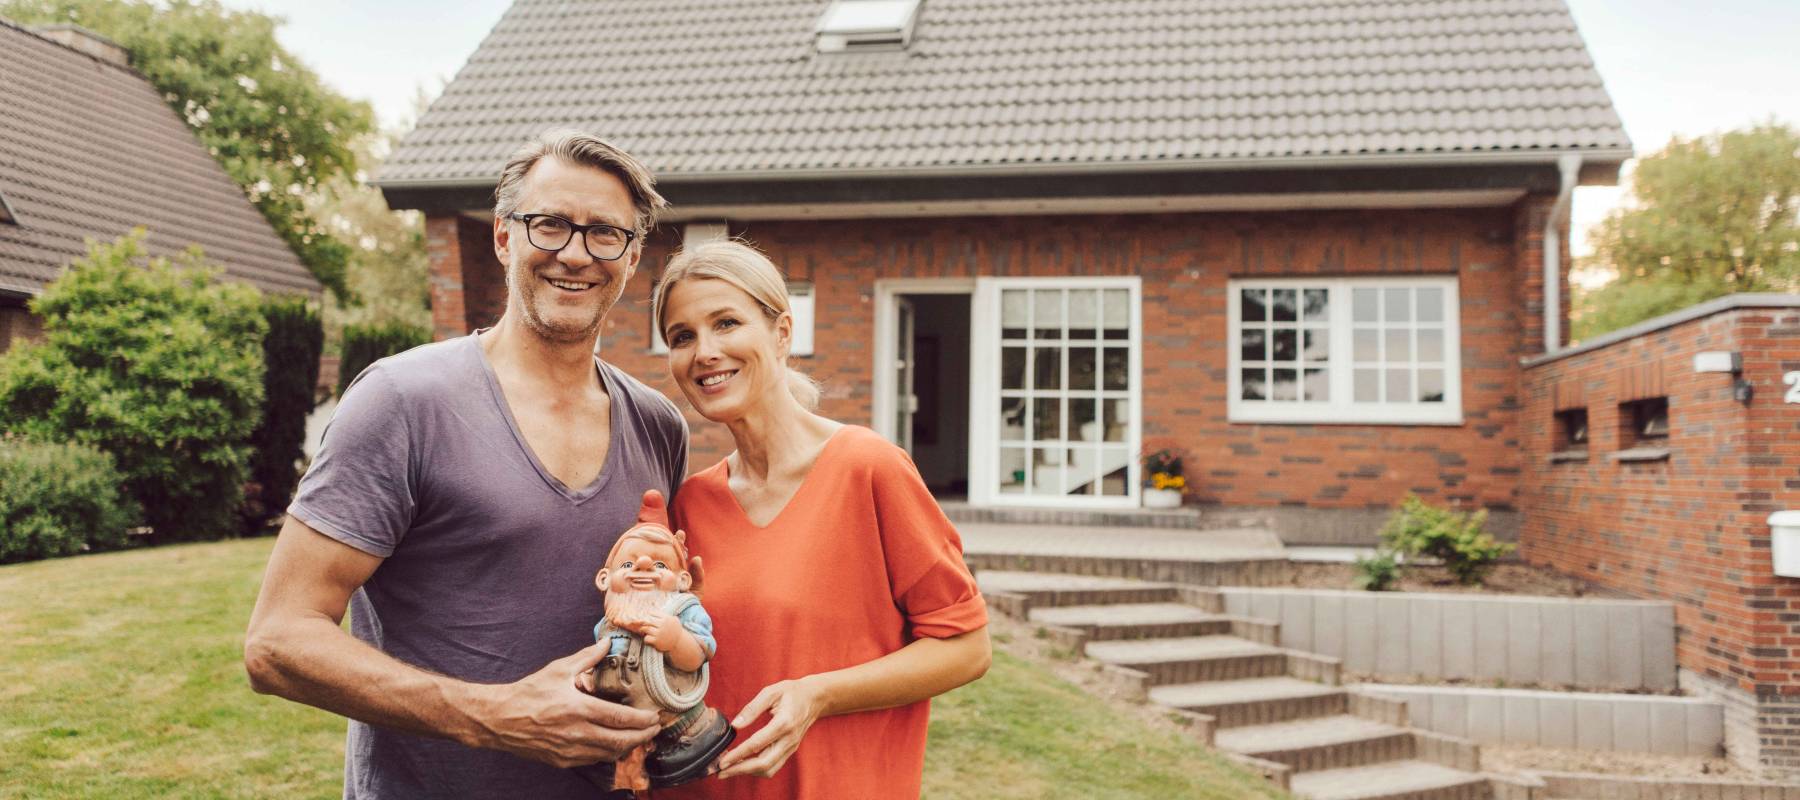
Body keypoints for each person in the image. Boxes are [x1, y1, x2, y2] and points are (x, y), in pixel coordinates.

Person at [243, 129, 688, 799]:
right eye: (550, 225)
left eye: (604, 234)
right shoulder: (403, 401)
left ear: (631, 258)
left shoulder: (659, 425)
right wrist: (496, 717)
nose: (575, 252)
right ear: (505, 239)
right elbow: (277, 643)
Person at [648, 240, 992, 800]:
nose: (704, 351)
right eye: (682, 336)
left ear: (782, 332)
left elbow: (966, 648)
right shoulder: (689, 503)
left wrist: (818, 694)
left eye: (727, 323)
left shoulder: (867, 468)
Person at [576, 490, 734, 792]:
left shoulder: (683, 612)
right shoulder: (609, 623)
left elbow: (699, 656)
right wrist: (589, 677)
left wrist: (675, 640)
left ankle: (691, 743)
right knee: (611, 745)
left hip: (673, 711)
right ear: (604, 579)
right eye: (627, 565)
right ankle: (616, 767)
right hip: (622, 710)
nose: (645, 564)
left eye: (661, 566)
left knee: (683, 730)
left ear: (683, 581)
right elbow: (601, 656)